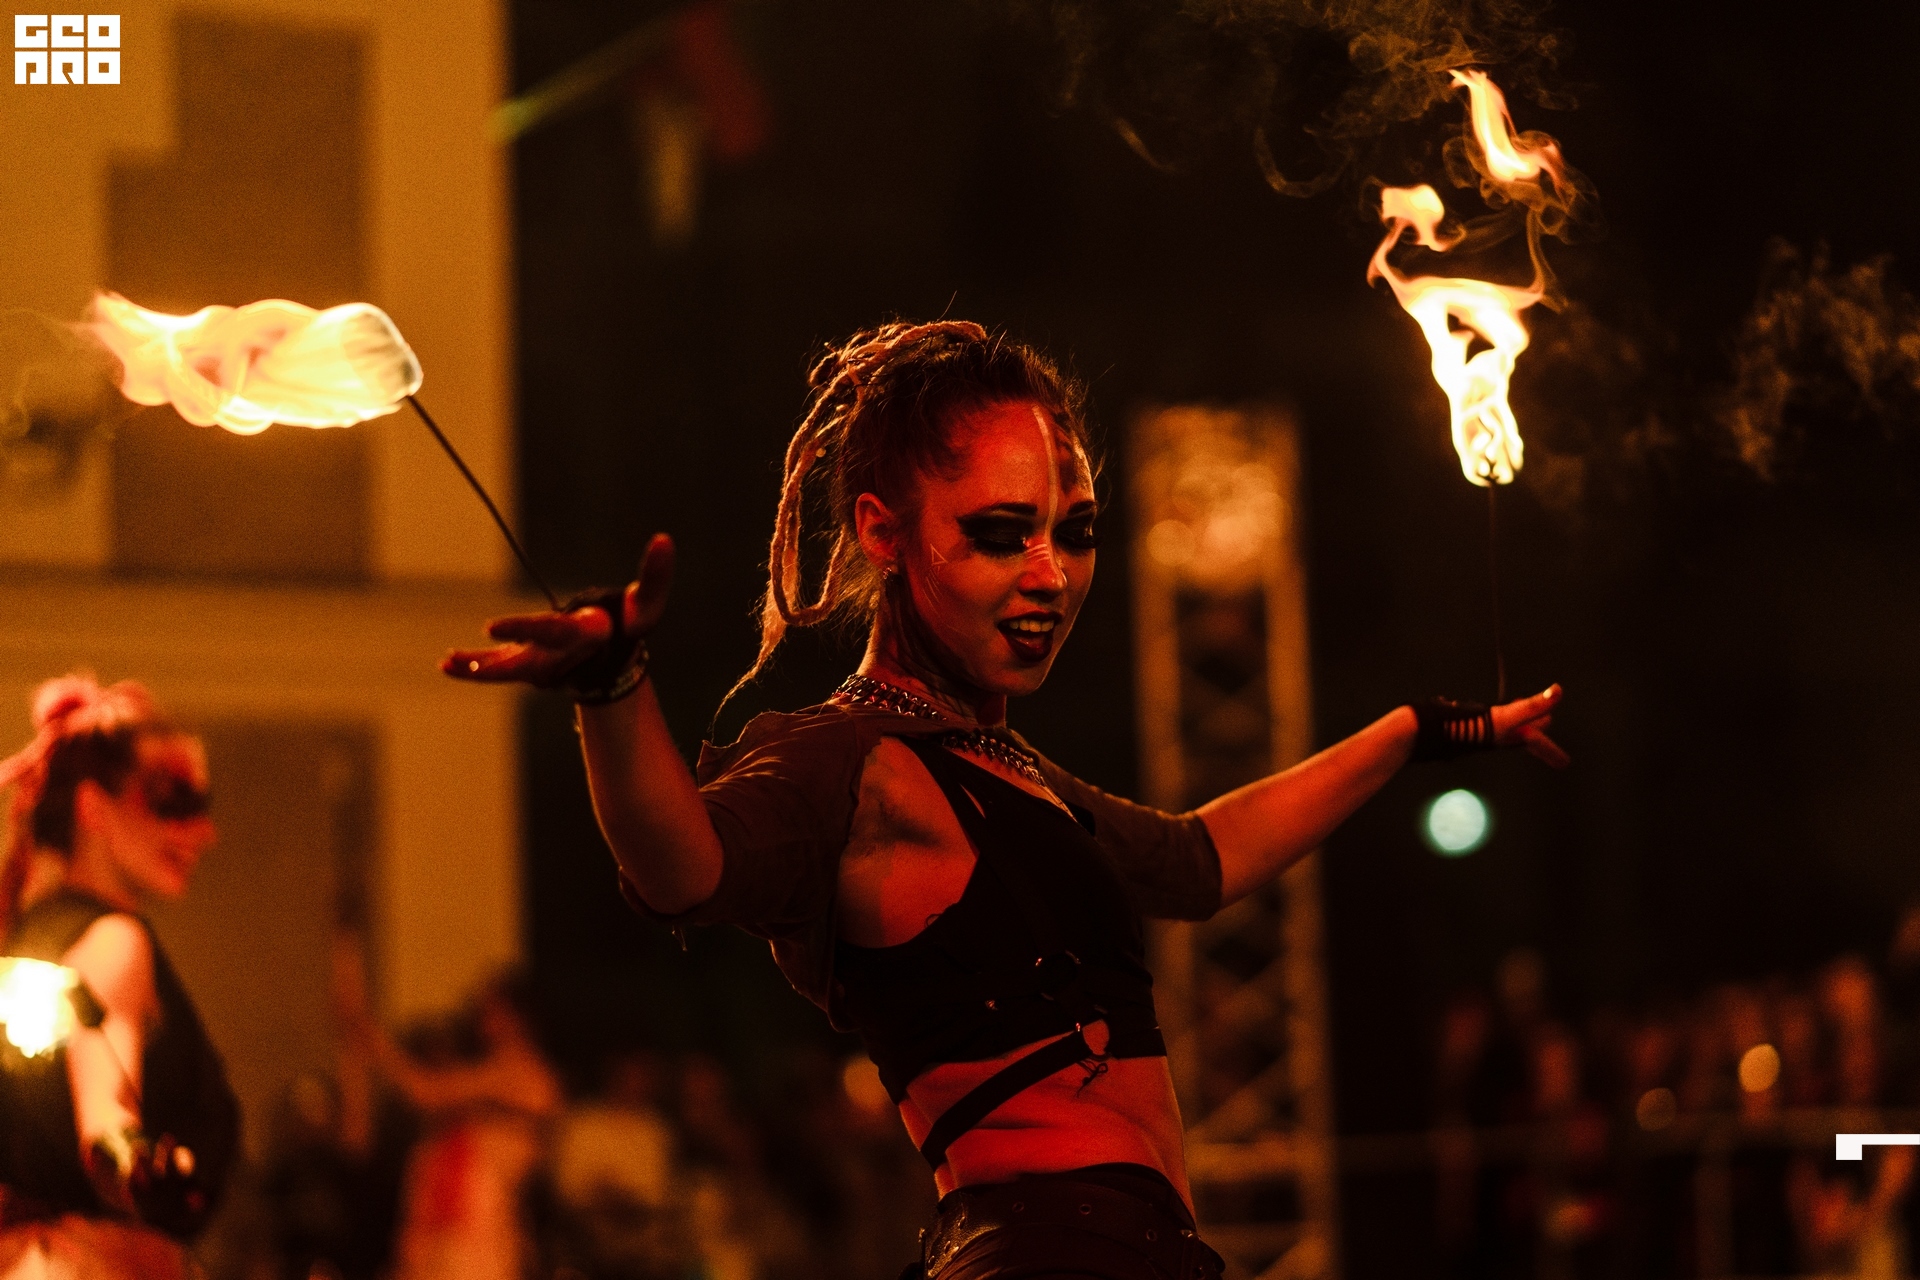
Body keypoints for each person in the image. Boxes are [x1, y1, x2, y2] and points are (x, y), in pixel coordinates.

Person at [446, 320, 1568, 1278]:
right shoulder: (849, 758)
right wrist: (614, 688)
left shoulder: (1005, 767)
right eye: (999, 534)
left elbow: (1199, 860)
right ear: (883, 531)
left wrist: (1413, 733)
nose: (1050, 574)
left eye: (1073, 533)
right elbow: (680, 865)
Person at [0, 674, 240, 1280]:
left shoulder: (32, 936)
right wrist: (135, 1165)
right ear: (92, 808)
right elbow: (105, 1116)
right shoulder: (114, 940)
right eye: (171, 801)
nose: (203, 832)